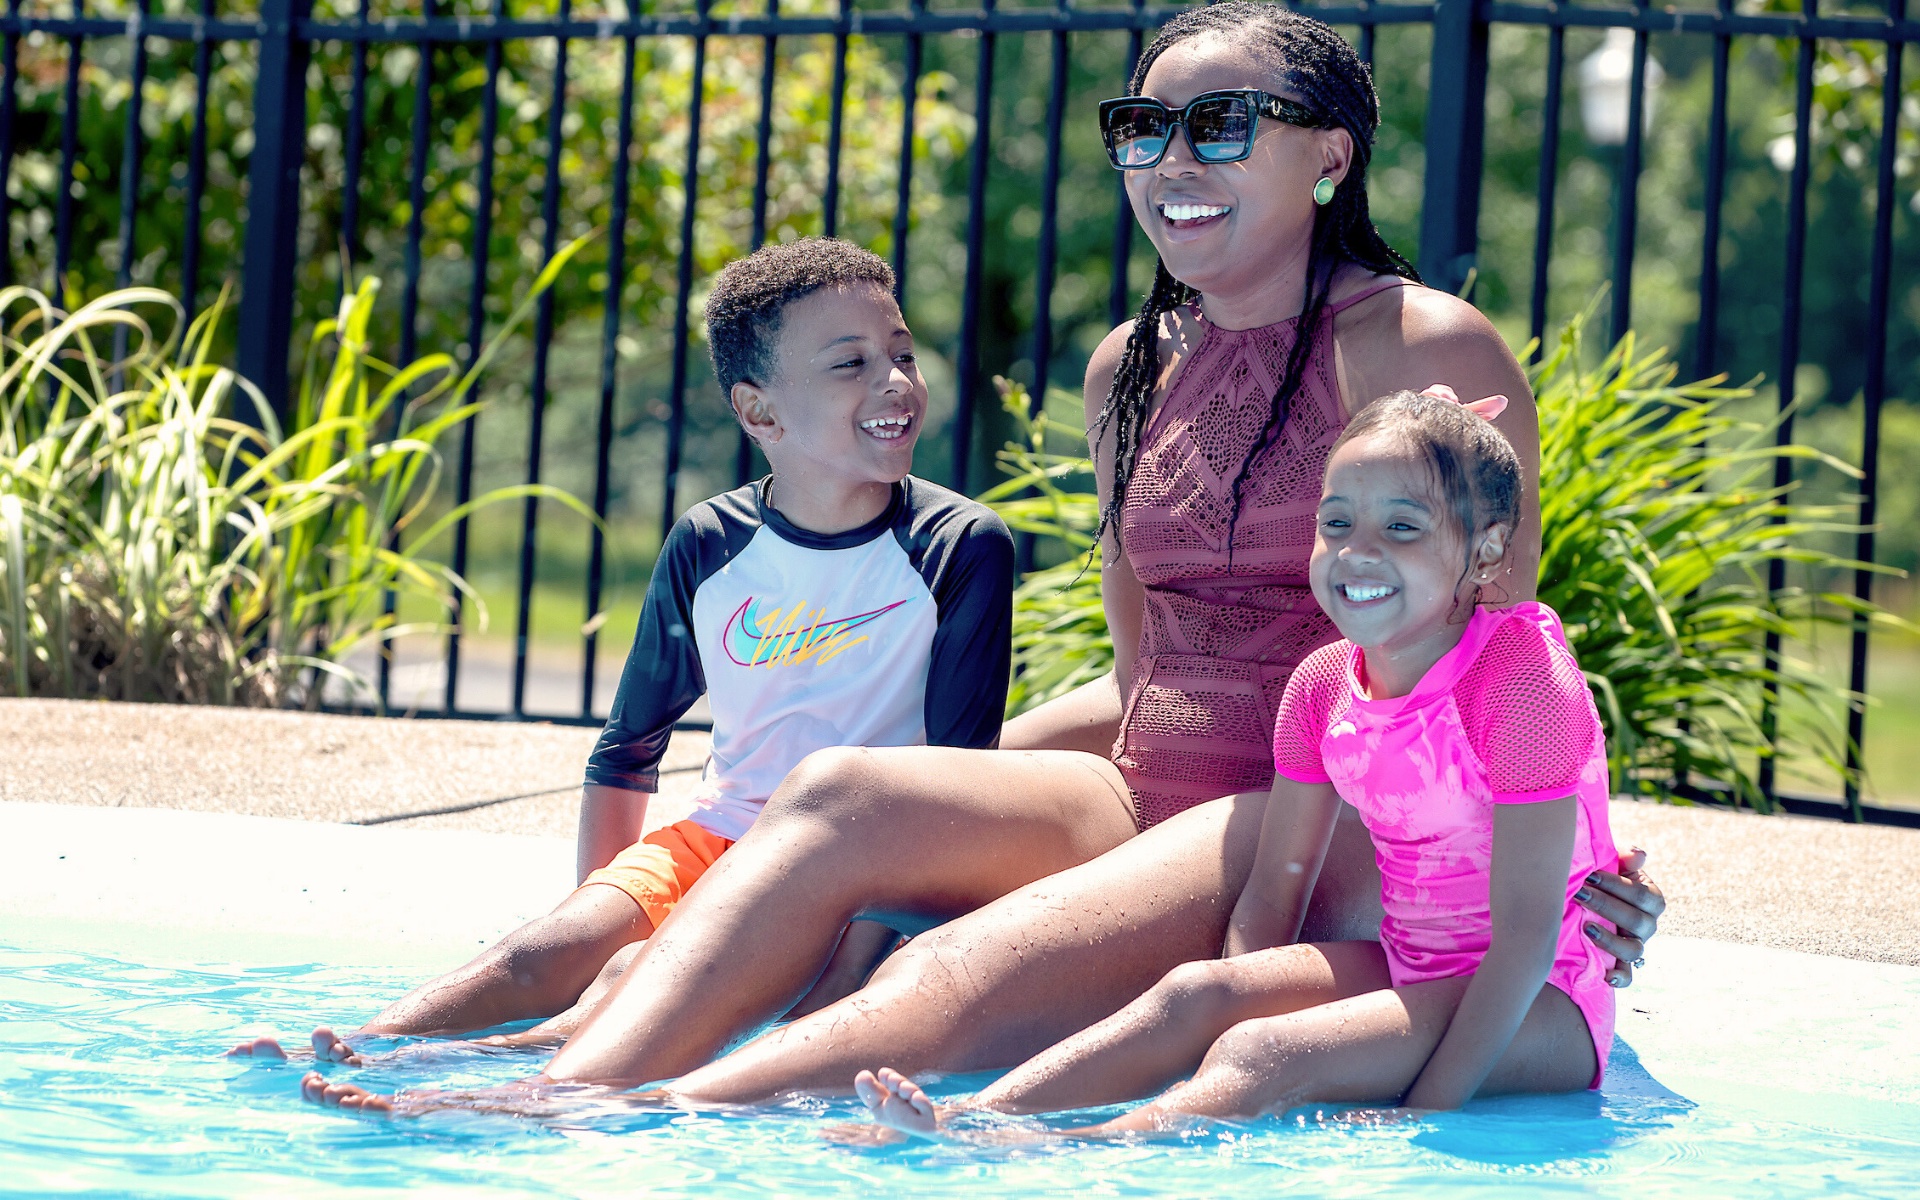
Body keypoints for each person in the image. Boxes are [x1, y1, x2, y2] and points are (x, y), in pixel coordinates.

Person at [300, 3, 1662, 1118]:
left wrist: (1572, 858)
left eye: (1220, 126)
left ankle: (623, 1112)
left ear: (1330, 156)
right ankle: (569, 1073)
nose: (1171, 161)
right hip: (1153, 779)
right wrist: (987, 785)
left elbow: (1495, 660)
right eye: (1144, 130)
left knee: (947, 962)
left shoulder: (1424, 348)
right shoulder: (1130, 367)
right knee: (839, 792)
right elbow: (1142, 656)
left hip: (1319, 817)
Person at [234, 237, 1014, 1066]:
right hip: (718, 838)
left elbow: (951, 797)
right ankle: (353, 1047)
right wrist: (598, 920)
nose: (896, 381)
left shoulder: (957, 547)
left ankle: (478, 1084)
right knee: (539, 955)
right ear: (760, 414)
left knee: (633, 982)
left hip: (853, 875)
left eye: (902, 353)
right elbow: (628, 748)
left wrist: (851, 972)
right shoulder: (711, 543)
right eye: (851, 363)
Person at [848, 389, 1619, 1140]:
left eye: (1402, 527)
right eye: (1337, 522)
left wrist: (1426, 1116)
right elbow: (1276, 888)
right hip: (1408, 966)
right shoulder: (1323, 685)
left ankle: (1043, 1156)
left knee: (1266, 1055)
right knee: (1192, 995)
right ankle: (963, 1123)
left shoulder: (1517, 681)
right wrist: (1234, 997)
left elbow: (1526, 941)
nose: (1358, 550)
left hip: (1543, 1004)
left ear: (1487, 549)